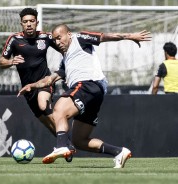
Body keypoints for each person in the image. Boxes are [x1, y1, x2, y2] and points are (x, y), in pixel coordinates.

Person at [18, 24, 151, 168]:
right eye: (55, 40)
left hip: (88, 84)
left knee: (59, 110)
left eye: (59, 38)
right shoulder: (65, 60)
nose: (57, 42)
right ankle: (119, 152)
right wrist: (32, 85)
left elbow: (103, 36)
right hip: (95, 94)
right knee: (79, 140)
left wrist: (130, 37)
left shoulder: (79, 39)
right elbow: (49, 80)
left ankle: (62, 146)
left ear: (68, 34)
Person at [0, 8, 60, 137]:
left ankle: (63, 132)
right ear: (21, 23)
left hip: (44, 82)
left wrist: (64, 70)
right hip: (28, 89)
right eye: (25, 21)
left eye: (31, 21)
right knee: (47, 123)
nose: (28, 24)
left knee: (43, 105)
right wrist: (11, 61)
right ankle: (66, 143)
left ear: (37, 22)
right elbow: (1, 61)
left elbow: (64, 49)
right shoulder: (14, 39)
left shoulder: (46, 37)